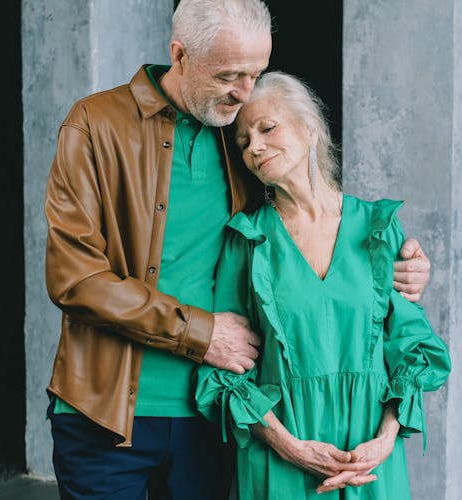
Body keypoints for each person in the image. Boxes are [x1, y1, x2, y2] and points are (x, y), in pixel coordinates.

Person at [43, 1, 431, 499]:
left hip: (215, 419)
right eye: (229, 74)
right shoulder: (96, 124)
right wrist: (200, 333)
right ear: (180, 56)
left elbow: (311, 224)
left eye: (256, 73)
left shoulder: (238, 133)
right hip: (105, 413)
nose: (246, 94)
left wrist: (401, 266)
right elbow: (74, 278)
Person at [192, 71, 451, 499]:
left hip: (368, 459)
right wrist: (290, 448)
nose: (254, 147)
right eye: (243, 141)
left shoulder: (377, 228)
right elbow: (224, 373)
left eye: (267, 128)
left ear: (309, 128)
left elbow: (411, 350)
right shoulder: (248, 240)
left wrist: (385, 440)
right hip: (280, 457)